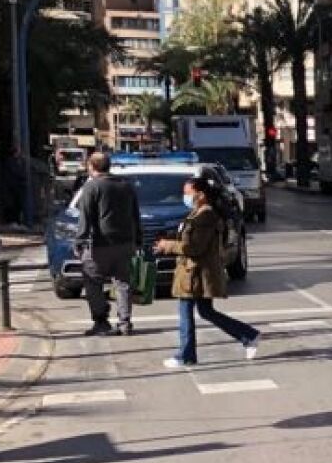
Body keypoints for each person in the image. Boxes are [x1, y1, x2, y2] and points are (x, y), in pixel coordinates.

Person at [155, 173, 260, 368]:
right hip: (194, 271)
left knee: (186, 313)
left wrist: (167, 245)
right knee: (206, 311)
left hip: (195, 273)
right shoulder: (198, 213)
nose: (186, 197)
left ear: (201, 194)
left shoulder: (205, 216)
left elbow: (193, 248)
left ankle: (185, 355)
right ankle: (248, 335)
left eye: (188, 193)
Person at [72, 152, 142, 337]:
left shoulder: (92, 186)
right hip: (125, 242)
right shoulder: (126, 186)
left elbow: (85, 217)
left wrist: (79, 240)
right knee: (122, 283)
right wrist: (138, 240)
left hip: (100, 244)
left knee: (92, 281)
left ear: (91, 166)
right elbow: (135, 215)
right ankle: (125, 322)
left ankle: (101, 320)